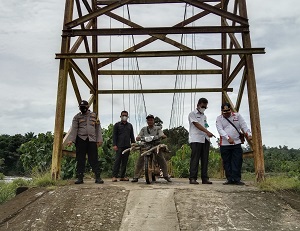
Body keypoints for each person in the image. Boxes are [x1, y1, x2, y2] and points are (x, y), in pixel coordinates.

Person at [67, 100, 104, 184]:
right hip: (81, 140)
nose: (82, 108)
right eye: (81, 107)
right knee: (80, 159)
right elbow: (74, 129)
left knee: (94, 159)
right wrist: (71, 140)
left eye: (84, 107)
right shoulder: (77, 117)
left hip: (92, 140)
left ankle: (97, 177)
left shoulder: (94, 116)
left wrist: (99, 139)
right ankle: (80, 178)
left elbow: (98, 128)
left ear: (88, 107)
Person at [216, 103, 252, 185]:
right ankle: (229, 179)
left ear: (230, 110)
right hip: (225, 144)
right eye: (224, 112)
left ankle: (236, 179)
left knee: (237, 161)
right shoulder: (219, 119)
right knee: (226, 162)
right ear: (222, 112)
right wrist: (228, 138)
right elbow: (220, 130)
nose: (226, 113)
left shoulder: (237, 116)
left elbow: (244, 126)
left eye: (228, 111)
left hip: (236, 143)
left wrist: (248, 134)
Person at [131, 114, 172, 183]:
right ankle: (136, 176)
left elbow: (161, 134)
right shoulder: (143, 129)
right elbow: (139, 135)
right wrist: (138, 137)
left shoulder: (158, 128)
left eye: (151, 120)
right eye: (148, 120)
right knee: (140, 159)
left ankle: (166, 175)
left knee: (161, 158)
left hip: (155, 145)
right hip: (145, 145)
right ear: (147, 121)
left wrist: (162, 136)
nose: (150, 121)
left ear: (153, 121)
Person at [188, 98, 214, 184]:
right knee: (195, 159)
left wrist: (208, 134)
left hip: (205, 139)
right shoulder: (192, 114)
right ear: (198, 105)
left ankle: (204, 178)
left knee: (205, 159)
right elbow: (197, 125)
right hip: (196, 139)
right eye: (203, 106)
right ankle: (192, 178)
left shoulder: (204, 116)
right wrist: (207, 132)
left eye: (205, 107)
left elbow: (205, 125)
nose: (204, 108)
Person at [112, 111, 135, 182]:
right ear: (120, 116)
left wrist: (133, 144)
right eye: (123, 115)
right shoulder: (117, 125)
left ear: (128, 117)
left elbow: (132, 136)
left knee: (125, 162)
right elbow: (114, 136)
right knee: (117, 161)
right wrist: (114, 145)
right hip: (119, 146)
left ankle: (122, 176)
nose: (124, 116)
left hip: (127, 146)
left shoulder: (130, 126)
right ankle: (114, 176)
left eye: (126, 115)